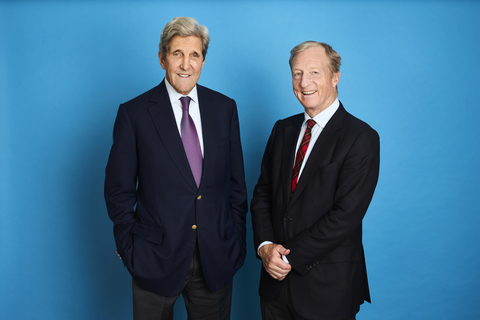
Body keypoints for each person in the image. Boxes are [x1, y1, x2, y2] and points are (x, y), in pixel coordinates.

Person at [104, 17, 248, 320]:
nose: (186, 64)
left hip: (215, 257)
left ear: (203, 61)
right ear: (162, 58)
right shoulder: (134, 114)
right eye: (177, 54)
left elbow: (236, 184)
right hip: (154, 258)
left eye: (194, 55)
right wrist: (130, 249)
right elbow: (118, 190)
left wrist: (233, 241)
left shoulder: (224, 109)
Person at [251, 41, 380, 320]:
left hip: (327, 288)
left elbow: (346, 215)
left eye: (314, 73)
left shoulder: (361, 137)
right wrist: (265, 248)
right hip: (274, 284)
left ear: (335, 77)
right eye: (297, 73)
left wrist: (287, 257)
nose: (304, 82)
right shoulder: (282, 129)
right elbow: (263, 193)